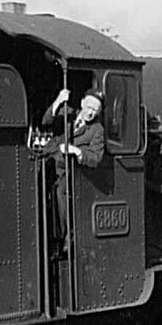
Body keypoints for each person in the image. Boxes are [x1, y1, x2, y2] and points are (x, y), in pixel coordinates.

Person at [41, 87, 105, 249]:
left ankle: (61, 237)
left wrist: (77, 151)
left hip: (68, 170)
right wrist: (58, 100)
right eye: (89, 107)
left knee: (60, 191)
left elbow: (95, 158)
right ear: (83, 103)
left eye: (95, 110)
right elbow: (46, 121)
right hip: (48, 161)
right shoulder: (67, 113)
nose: (90, 112)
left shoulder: (97, 130)